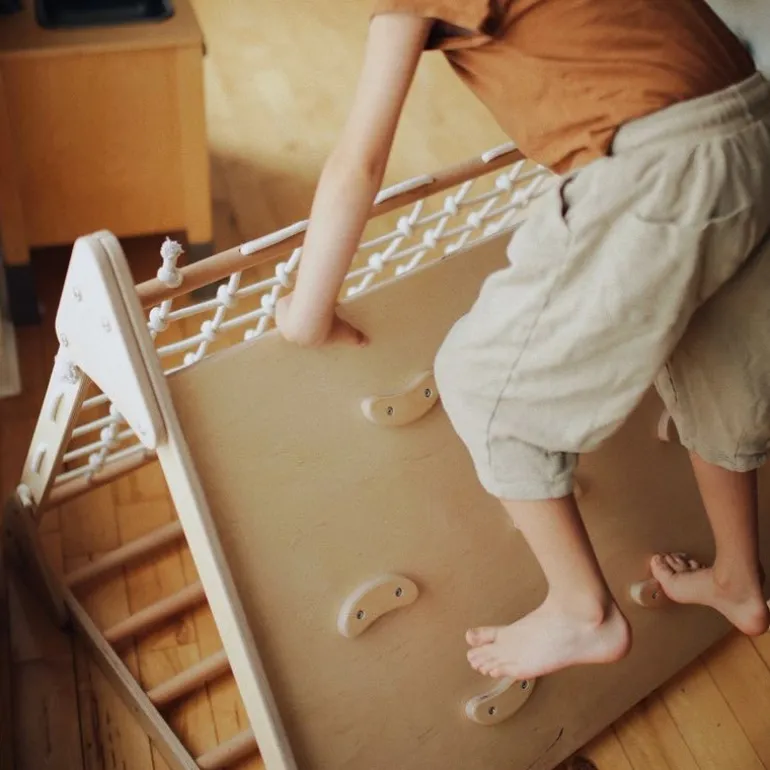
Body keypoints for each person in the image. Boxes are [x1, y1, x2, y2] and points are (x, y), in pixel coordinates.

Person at [274, 0, 770, 681]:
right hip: (754, 123)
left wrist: (308, 313)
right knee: (716, 360)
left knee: (483, 381)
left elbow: (359, 162)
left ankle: (581, 610)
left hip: (663, 158)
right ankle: (740, 580)